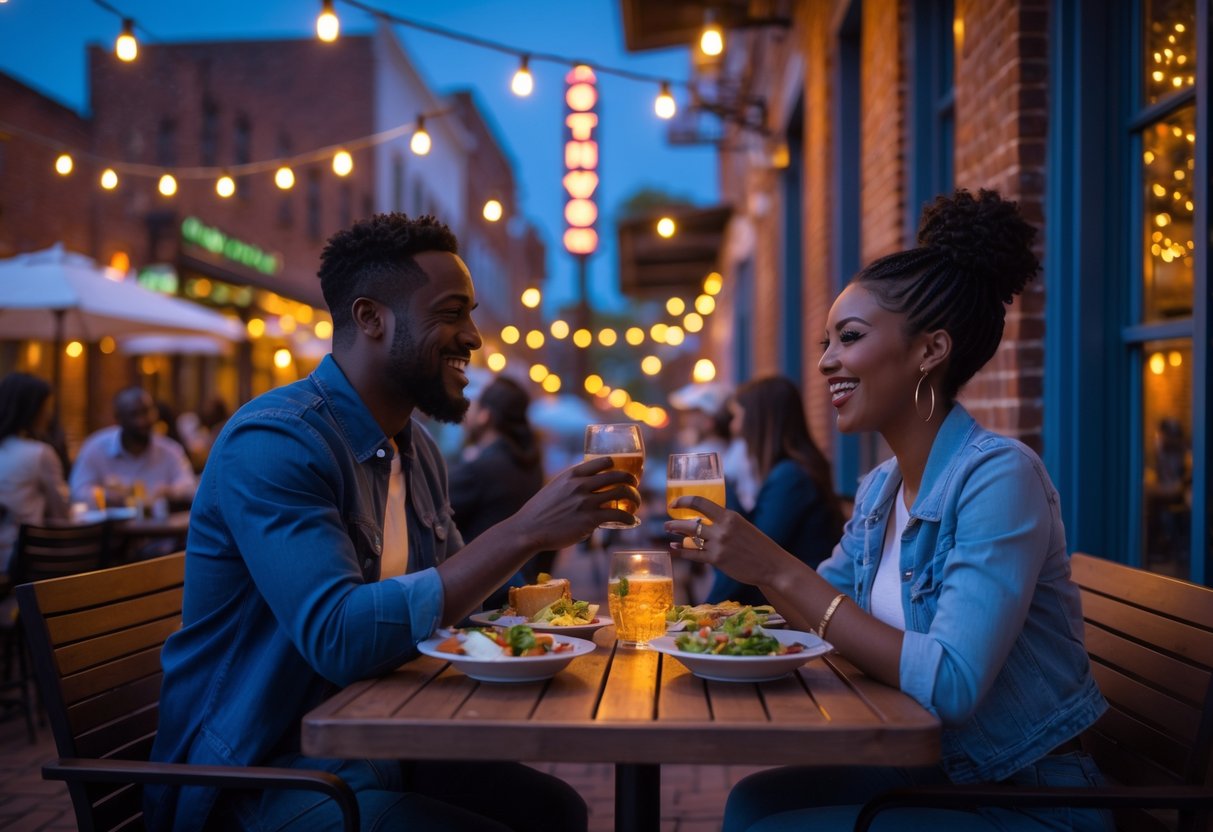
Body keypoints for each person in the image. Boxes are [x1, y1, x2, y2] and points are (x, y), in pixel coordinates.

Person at [146, 213, 640, 832]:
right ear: (371, 318)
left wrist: (567, 628)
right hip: (257, 777)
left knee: (555, 810)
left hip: (379, 745)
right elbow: (338, 637)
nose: (473, 337)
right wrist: (525, 531)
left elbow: (458, 608)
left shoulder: (415, 445)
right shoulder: (275, 441)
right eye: (451, 313)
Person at [667, 190, 1110, 832]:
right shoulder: (880, 489)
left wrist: (772, 567)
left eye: (848, 338)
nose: (825, 362)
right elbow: (823, 613)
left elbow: (952, 683)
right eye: (826, 342)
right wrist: (717, 618)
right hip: (940, 771)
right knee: (754, 802)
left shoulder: (998, 476)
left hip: (1029, 795)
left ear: (930, 351)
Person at [704, 375, 844, 607]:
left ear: (757, 419)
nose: (733, 426)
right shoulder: (791, 471)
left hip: (802, 609)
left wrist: (704, 609)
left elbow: (749, 554)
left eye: (737, 416)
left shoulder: (791, 477)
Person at [449, 376, 555, 606]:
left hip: (481, 595)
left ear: (485, 414)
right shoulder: (529, 464)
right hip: (518, 584)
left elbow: (436, 515)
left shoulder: (482, 469)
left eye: (473, 405)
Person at [69, 386, 197, 509]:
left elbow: (190, 488)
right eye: (134, 414)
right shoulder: (96, 448)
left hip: (159, 529)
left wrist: (171, 492)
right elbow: (77, 491)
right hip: (109, 529)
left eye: (146, 412)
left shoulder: (170, 450)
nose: (142, 421)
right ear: (118, 418)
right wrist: (106, 496)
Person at [0, 373, 69, 574]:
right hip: (18, 562)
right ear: (32, 410)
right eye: (46, 407)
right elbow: (61, 516)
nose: (49, 414)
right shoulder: (39, 453)